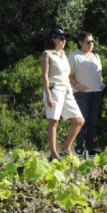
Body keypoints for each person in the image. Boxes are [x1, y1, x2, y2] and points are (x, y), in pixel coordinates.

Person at [41, 28, 84, 160]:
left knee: (79, 120)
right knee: (54, 121)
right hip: (54, 89)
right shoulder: (47, 54)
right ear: (53, 39)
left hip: (67, 89)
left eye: (65, 38)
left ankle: (66, 149)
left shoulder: (63, 54)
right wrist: (48, 94)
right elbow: (45, 76)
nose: (64, 41)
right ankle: (54, 154)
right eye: (61, 38)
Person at [68, 31, 104, 155]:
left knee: (94, 121)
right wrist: (77, 86)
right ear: (80, 43)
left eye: (92, 41)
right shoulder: (74, 56)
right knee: (82, 121)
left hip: (97, 92)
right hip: (82, 93)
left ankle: (90, 146)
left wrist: (102, 85)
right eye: (88, 42)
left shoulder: (96, 56)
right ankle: (79, 146)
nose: (91, 44)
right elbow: (68, 74)